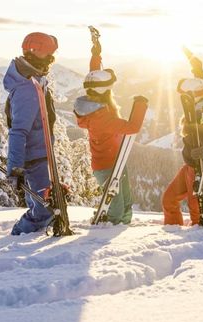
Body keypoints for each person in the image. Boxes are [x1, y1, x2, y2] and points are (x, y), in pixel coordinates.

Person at [75, 33, 148, 225]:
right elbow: (132, 127)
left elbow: (94, 77)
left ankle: (125, 227)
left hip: (115, 161)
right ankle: (111, 232)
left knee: (126, 202)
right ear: (104, 91)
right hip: (108, 166)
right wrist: (141, 104)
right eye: (109, 87)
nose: (111, 89)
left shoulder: (92, 103)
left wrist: (96, 54)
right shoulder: (101, 117)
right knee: (116, 207)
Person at [4, 32, 59, 235]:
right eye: (49, 55)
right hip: (34, 159)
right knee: (43, 211)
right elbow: (18, 131)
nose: (52, 60)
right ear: (37, 53)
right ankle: (19, 236)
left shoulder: (35, 80)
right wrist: (15, 167)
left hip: (39, 155)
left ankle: (24, 240)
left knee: (43, 205)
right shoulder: (28, 88)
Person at [162, 77, 203, 226]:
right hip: (190, 165)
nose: (183, 99)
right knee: (169, 200)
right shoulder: (194, 110)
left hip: (202, 166)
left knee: (196, 208)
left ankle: (200, 236)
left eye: (186, 96)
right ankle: (173, 230)